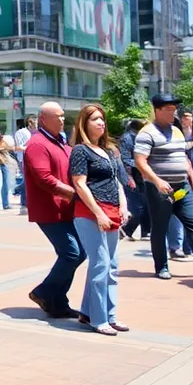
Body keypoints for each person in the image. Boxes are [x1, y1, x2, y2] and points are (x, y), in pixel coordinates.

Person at [134, 93, 193, 285]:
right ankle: (161, 266)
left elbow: (183, 157)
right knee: (160, 228)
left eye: (174, 109)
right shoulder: (147, 133)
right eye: (169, 110)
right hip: (159, 189)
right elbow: (140, 161)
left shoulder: (176, 131)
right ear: (157, 110)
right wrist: (157, 180)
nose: (173, 113)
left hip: (182, 187)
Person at [68, 105, 129, 335]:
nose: (101, 123)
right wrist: (98, 213)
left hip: (112, 211)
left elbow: (117, 181)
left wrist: (123, 206)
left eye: (102, 119)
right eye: (95, 119)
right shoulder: (81, 151)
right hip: (89, 214)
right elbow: (80, 184)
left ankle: (109, 315)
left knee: (112, 266)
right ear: (84, 123)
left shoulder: (110, 150)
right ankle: (98, 318)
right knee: (100, 265)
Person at [24, 102, 86, 319]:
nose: (61, 120)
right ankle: (43, 292)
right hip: (49, 210)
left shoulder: (62, 142)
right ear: (43, 119)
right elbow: (44, 178)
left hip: (67, 209)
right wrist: (74, 194)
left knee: (79, 252)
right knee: (72, 252)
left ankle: (57, 301)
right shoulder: (37, 144)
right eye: (56, 116)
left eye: (62, 116)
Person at [119, 120, 150, 242]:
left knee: (146, 205)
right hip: (132, 176)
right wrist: (142, 164)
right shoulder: (127, 138)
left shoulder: (140, 138)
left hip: (141, 175)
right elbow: (126, 159)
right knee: (137, 207)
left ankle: (146, 231)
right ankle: (126, 230)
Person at [14, 116, 36, 211]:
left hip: (31, 158)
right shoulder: (21, 132)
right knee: (27, 179)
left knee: (28, 179)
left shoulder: (34, 132)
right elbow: (19, 146)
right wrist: (30, 147)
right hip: (24, 159)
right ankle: (17, 190)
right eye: (35, 123)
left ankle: (24, 201)